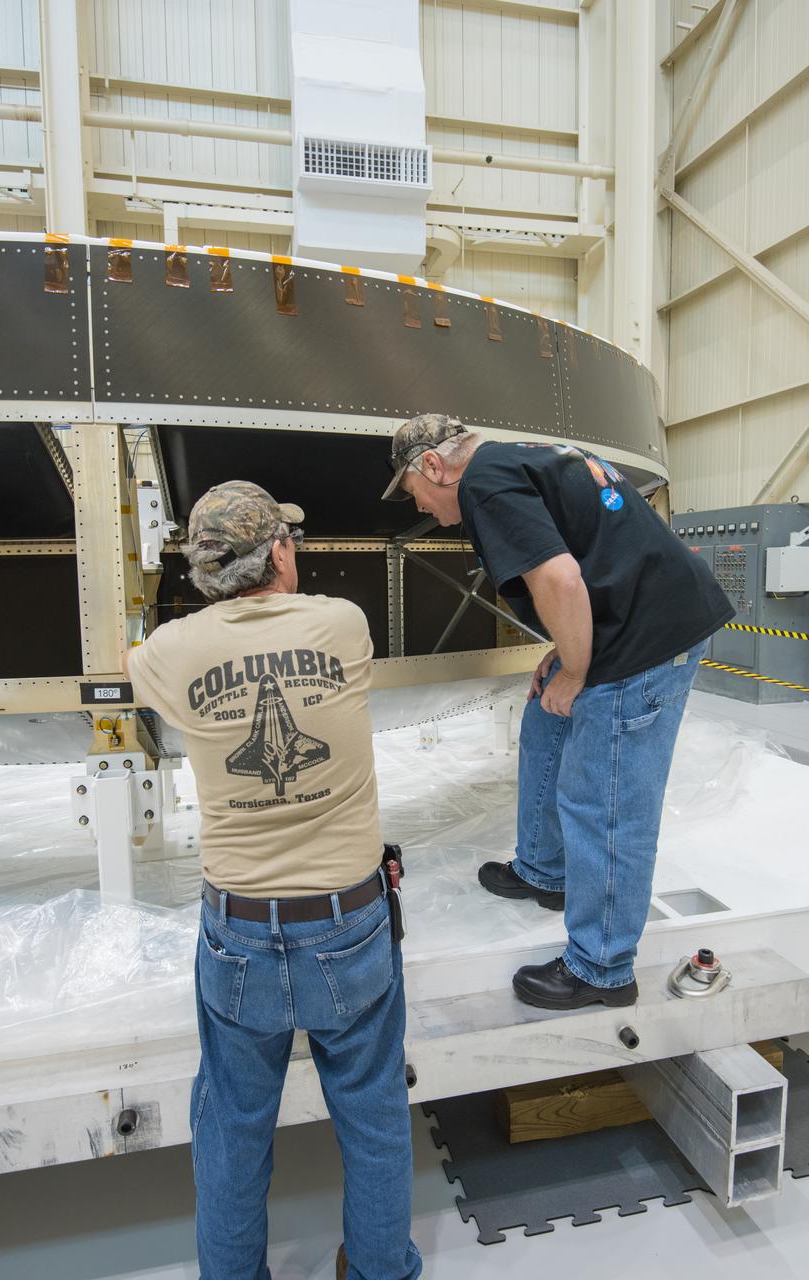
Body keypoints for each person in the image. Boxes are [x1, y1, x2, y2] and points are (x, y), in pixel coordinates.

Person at [124, 480, 421, 1280]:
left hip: (241, 930)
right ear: (279, 553)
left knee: (231, 1125)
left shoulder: (168, 655)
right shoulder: (344, 625)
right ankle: (381, 1269)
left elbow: (133, 663)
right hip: (349, 920)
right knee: (373, 1111)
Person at [382, 414, 733, 1011]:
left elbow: (562, 577)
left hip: (646, 639)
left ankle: (602, 967)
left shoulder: (483, 486)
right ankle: (546, 871)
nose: (419, 505)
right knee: (547, 719)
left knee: (606, 797)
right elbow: (586, 557)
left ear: (433, 466)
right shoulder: (522, 456)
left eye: (412, 490)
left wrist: (576, 669)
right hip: (638, 615)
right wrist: (566, 651)